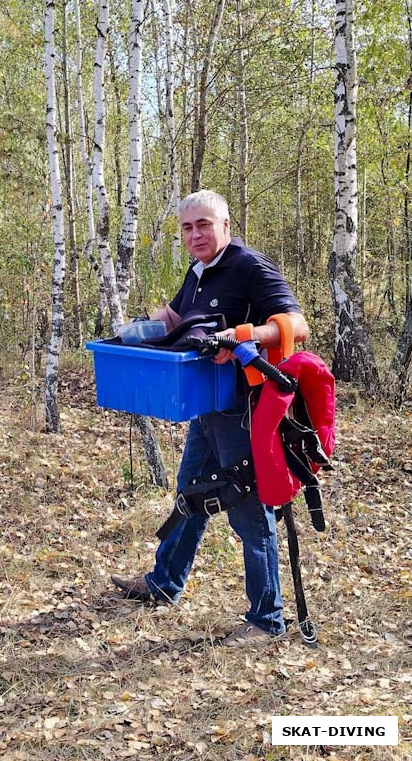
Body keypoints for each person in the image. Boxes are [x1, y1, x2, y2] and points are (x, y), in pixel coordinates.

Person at [110, 189, 309, 648]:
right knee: (190, 493)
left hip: (242, 407)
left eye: (204, 224)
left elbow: (296, 326)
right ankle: (164, 582)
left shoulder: (248, 266)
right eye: (187, 227)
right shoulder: (199, 270)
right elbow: (179, 315)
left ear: (224, 225)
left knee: (248, 511)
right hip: (205, 403)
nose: (195, 234)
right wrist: (132, 330)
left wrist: (238, 337)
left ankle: (266, 620)